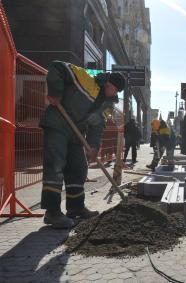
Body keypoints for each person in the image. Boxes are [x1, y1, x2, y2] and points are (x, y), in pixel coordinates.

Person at [40, 60, 125, 229]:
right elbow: (57, 67)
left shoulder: (106, 104)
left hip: (76, 133)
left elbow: (97, 125)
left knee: (78, 168)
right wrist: (55, 92)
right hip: (58, 123)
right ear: (107, 82)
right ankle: (52, 212)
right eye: (113, 89)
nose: (112, 93)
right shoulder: (86, 78)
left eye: (115, 91)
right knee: (56, 165)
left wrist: (93, 146)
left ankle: (75, 207)